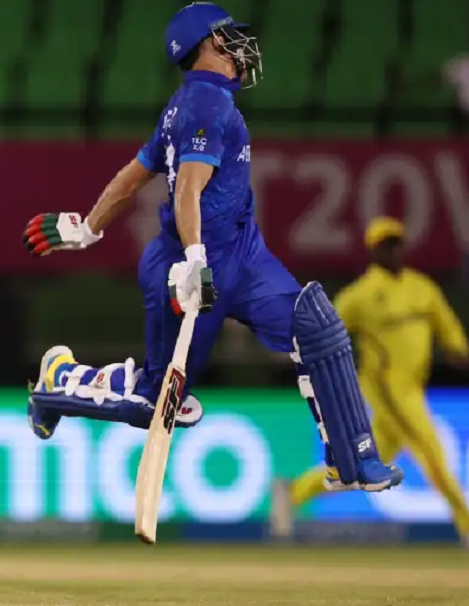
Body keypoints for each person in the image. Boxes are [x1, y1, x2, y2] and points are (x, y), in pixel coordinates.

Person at [21, 3, 403, 494]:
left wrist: (88, 228)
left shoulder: (191, 103)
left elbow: (135, 174)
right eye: (227, 37)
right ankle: (58, 381)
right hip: (187, 266)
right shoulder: (205, 106)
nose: (240, 47)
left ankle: (353, 461)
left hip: (242, 255)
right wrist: (194, 260)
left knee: (316, 327)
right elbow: (186, 190)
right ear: (206, 45)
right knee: (156, 403)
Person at [270, 217, 469, 551]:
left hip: (413, 387)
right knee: (432, 453)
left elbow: (445, 321)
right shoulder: (363, 294)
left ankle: (293, 491)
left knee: (359, 468)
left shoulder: (421, 287)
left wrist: (457, 346)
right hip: (387, 391)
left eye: (397, 243)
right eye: (386, 245)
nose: (393, 251)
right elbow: (324, 328)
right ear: (374, 251)